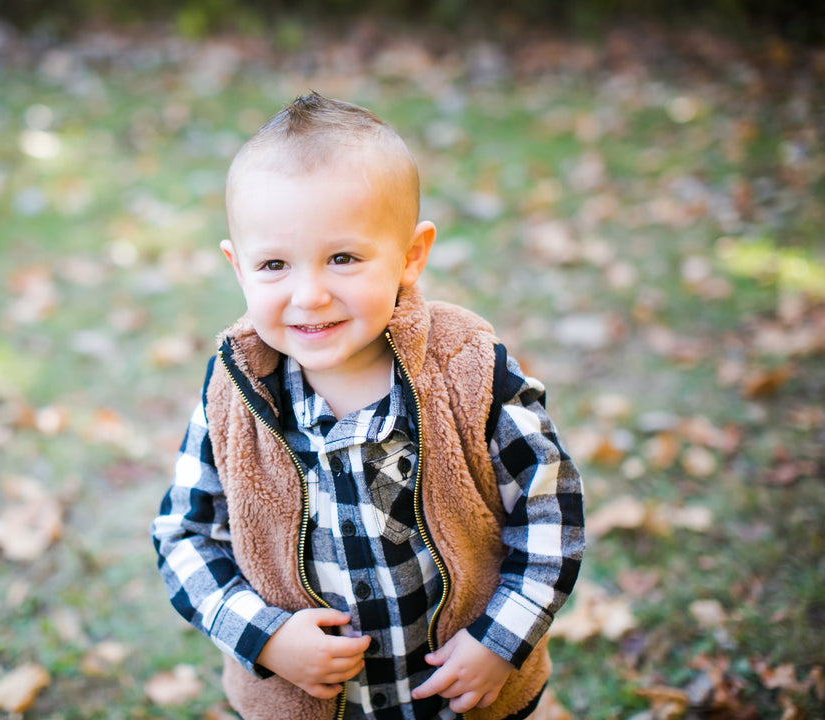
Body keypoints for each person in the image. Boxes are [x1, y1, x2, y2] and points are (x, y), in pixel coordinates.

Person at [150, 92, 584, 720]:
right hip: (315, 702)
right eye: (274, 264)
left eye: (343, 258)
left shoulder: (469, 370)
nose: (309, 294)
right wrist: (263, 636)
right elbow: (183, 537)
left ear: (410, 256)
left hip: (466, 691)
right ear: (237, 268)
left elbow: (551, 513)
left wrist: (500, 641)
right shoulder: (233, 394)